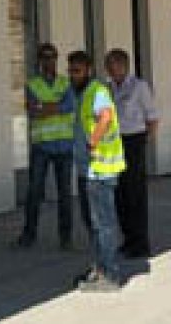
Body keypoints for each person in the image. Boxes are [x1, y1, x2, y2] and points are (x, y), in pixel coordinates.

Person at [68, 50, 126, 292]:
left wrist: (92, 142)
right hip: (88, 170)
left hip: (100, 170)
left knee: (104, 223)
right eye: (71, 70)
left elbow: (105, 116)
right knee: (93, 222)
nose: (73, 75)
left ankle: (110, 274)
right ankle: (100, 268)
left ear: (89, 70)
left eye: (77, 70)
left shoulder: (96, 91)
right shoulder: (82, 94)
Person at [13, 43, 75, 251]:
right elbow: (33, 111)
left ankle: (65, 237)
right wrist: (56, 106)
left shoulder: (66, 83)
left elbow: (70, 107)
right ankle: (29, 234)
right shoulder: (32, 84)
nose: (48, 61)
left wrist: (46, 107)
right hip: (42, 146)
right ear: (39, 61)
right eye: (44, 57)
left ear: (56, 59)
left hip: (64, 147)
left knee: (65, 194)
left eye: (52, 57)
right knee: (34, 192)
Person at [104, 49, 158, 260]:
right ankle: (128, 240)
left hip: (134, 141)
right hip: (115, 143)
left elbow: (152, 117)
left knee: (135, 194)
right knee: (120, 194)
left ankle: (141, 243)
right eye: (108, 65)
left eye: (112, 65)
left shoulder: (139, 87)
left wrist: (144, 142)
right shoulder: (109, 88)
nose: (109, 69)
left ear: (123, 66)